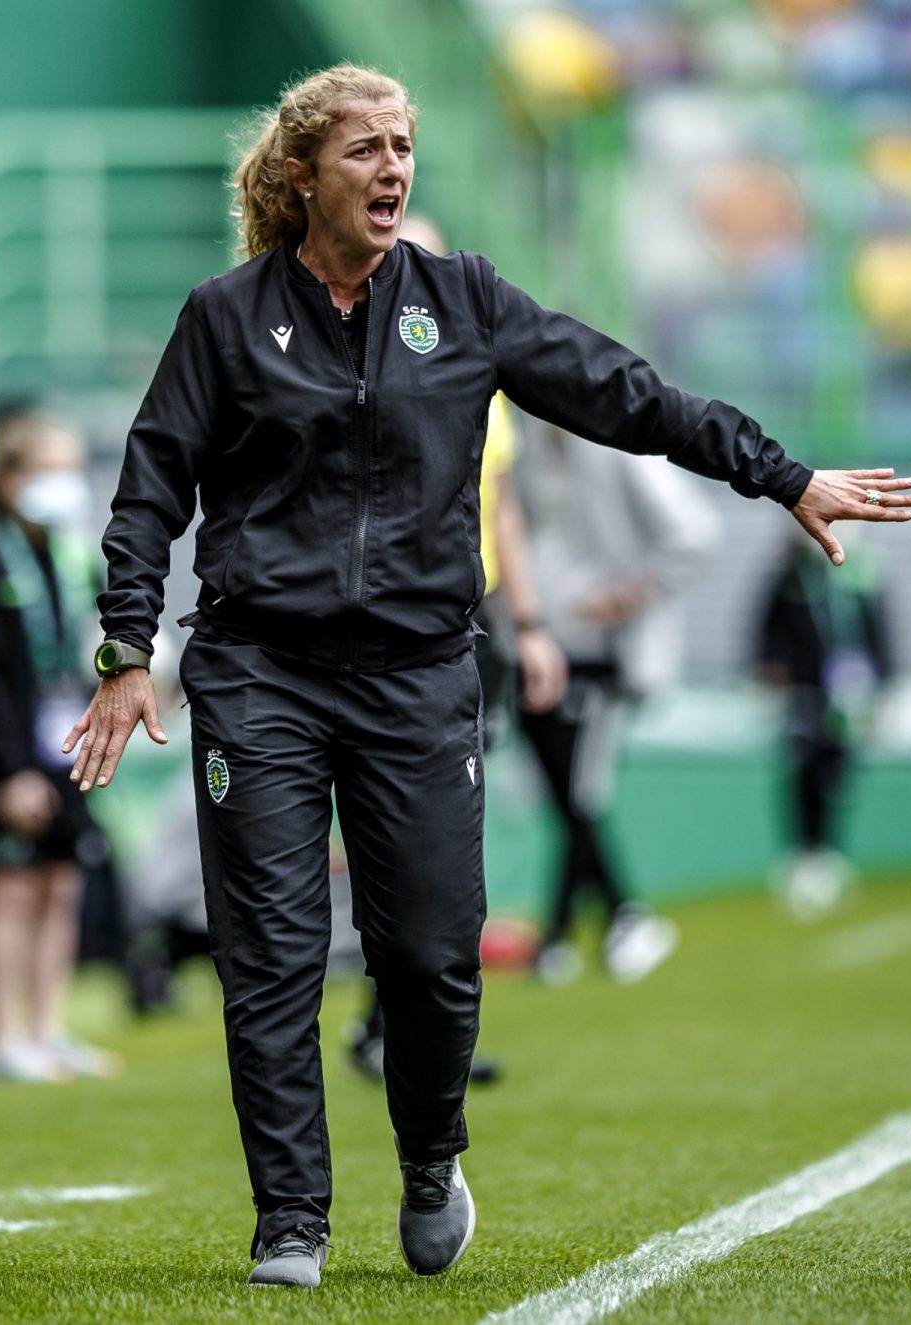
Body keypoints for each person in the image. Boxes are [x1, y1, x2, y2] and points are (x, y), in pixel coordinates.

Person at [62, 64, 911, 1287]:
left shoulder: (461, 299)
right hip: (259, 673)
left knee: (427, 953)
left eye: (404, 145)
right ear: (303, 171)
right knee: (272, 953)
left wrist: (778, 474)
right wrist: (126, 648)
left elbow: (624, 392)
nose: (394, 167)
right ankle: (291, 1219)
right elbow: (150, 487)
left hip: (420, 674)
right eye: (365, 148)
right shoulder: (223, 314)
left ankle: (428, 1155)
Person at [346, 212, 567, 1081]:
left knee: (445, 839)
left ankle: (414, 1030)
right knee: (393, 830)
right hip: (381, 628)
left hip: (465, 623)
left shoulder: (479, 369)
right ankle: (387, 1023)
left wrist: (532, 623)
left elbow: (501, 504)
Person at [511, 427, 719, 983]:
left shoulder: (619, 444)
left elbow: (694, 531)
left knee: (579, 794)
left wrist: (631, 593)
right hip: (534, 641)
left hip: (602, 654)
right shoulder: (524, 444)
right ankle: (591, 926)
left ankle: (604, 921)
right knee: (565, 796)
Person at [0, 416, 120, 1082]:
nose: (64, 484)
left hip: (68, 752)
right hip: (14, 761)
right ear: (8, 480)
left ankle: (48, 1028)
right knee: (11, 889)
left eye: (71, 468)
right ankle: (5, 1036)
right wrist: (8, 771)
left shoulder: (77, 561)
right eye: (47, 469)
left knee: (61, 884)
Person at [753, 527, 894, 916]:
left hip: (849, 692)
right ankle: (802, 852)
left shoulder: (862, 570)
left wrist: (882, 685)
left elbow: (880, 630)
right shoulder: (791, 572)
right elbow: (767, 625)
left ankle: (829, 852)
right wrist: (770, 671)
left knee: (837, 771)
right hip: (804, 689)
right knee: (802, 768)